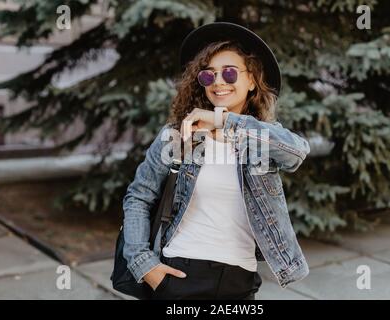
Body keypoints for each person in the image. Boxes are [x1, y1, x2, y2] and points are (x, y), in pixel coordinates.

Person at [122, 22, 311, 300]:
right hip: (179, 275)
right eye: (208, 76)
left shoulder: (261, 138)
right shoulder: (178, 135)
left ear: (251, 81)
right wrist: (144, 264)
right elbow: (139, 196)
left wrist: (223, 120)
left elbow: (296, 153)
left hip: (240, 280)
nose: (219, 82)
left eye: (230, 73)